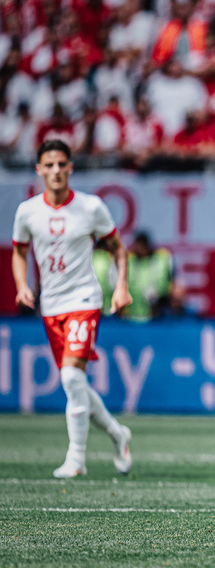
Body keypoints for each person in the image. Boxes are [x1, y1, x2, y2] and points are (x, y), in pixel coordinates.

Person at [11, 139, 134, 478]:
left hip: (84, 300)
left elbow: (118, 249)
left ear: (70, 168)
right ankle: (117, 433)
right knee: (75, 382)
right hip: (50, 306)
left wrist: (121, 287)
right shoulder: (27, 212)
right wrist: (22, 285)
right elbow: (19, 252)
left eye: (61, 164)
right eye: (48, 165)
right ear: (39, 170)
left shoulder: (91, 208)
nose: (55, 171)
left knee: (69, 376)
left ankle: (76, 459)